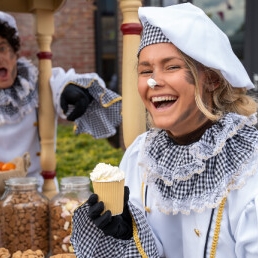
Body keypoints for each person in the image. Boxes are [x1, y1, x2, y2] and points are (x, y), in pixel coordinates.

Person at [71, 3, 258, 258]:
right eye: (145, 70)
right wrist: (129, 238)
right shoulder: (140, 156)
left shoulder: (249, 164)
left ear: (212, 79)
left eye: (171, 67)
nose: (153, 81)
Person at [0, 11, 122, 191]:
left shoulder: (35, 83)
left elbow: (59, 82)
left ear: (14, 52)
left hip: (37, 191)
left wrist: (73, 90)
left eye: (1, 48)